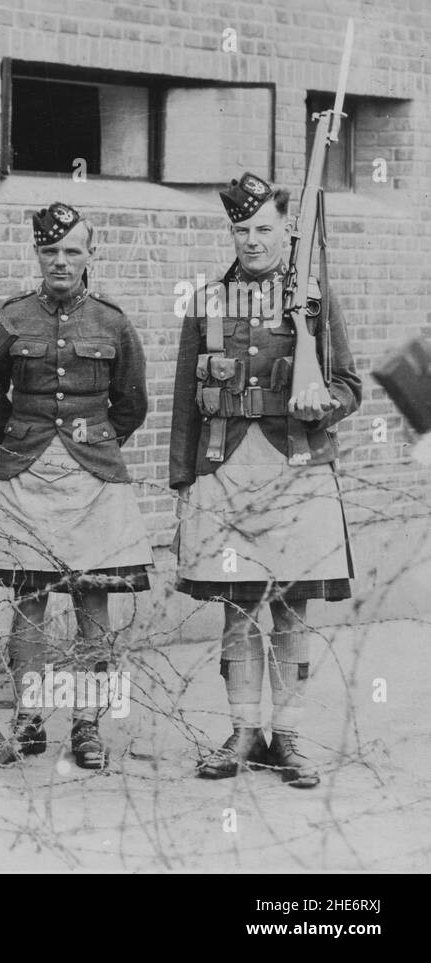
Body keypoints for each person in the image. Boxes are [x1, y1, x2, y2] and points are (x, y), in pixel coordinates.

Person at [169, 172, 361, 788]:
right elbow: (182, 403)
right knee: (237, 608)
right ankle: (244, 730)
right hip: (225, 468)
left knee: (293, 610)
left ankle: (291, 736)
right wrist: (184, 483)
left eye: (263, 229)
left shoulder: (313, 299)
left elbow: (349, 386)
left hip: (295, 466)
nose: (251, 241)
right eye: (241, 229)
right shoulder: (206, 300)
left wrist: (319, 404)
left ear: (286, 231)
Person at [0, 202, 151, 770]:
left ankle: (87, 725)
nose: (60, 261)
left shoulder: (112, 322)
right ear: (37, 254)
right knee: (27, 600)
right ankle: (28, 718)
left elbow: (132, 403)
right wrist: (24, 437)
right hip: (26, 472)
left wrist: (91, 440)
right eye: (50, 251)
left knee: (92, 603)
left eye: (72, 250)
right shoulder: (12, 318)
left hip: (93, 474)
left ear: (90, 255)